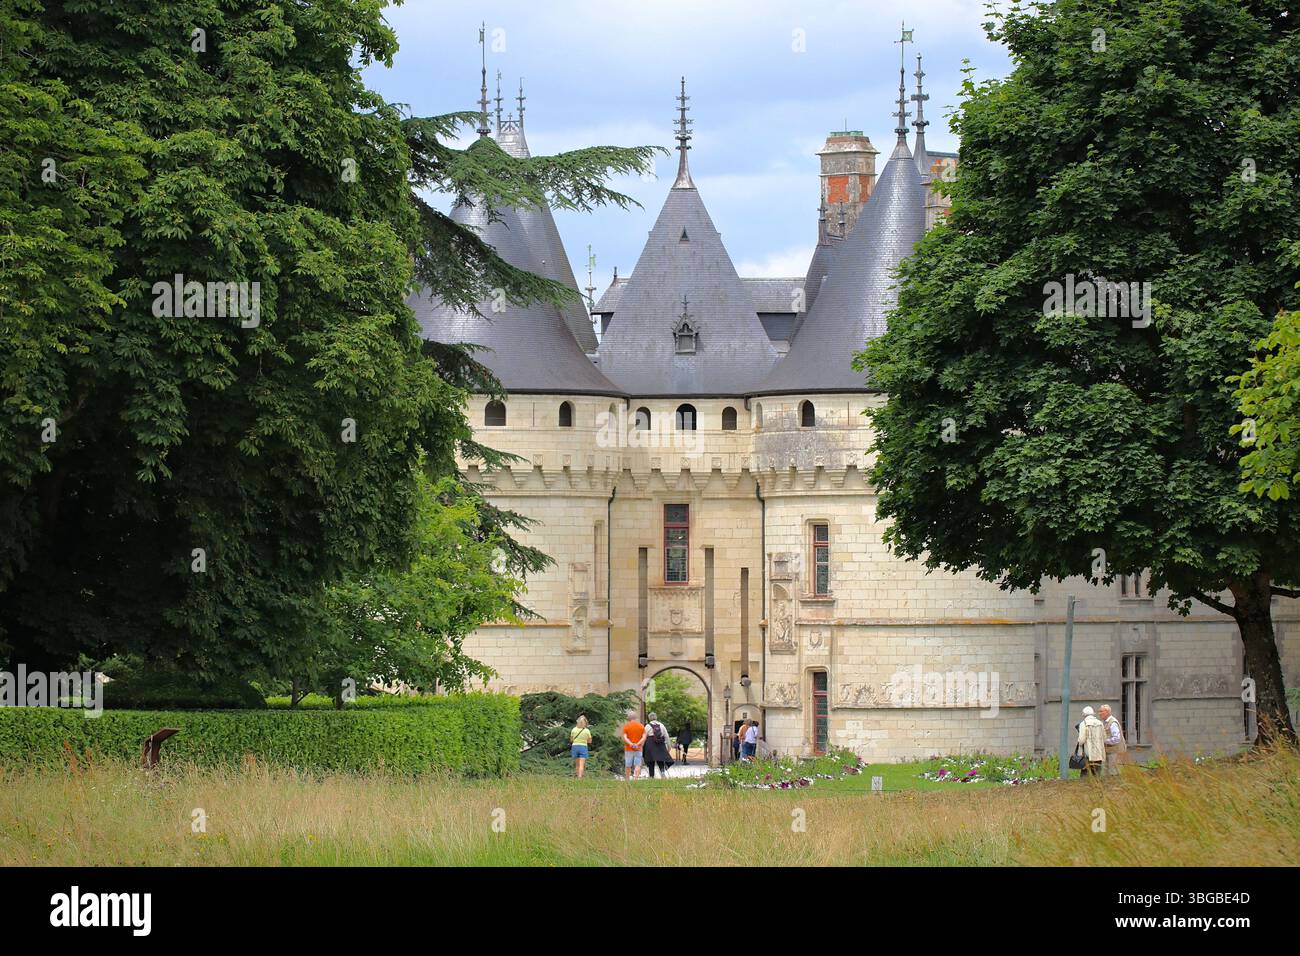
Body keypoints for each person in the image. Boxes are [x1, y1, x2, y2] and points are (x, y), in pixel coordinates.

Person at [1076, 706, 1106, 777]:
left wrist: (1079, 745)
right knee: (1097, 773)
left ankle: (1085, 787)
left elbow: (1081, 740)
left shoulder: (1083, 723)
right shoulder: (1100, 723)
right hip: (1099, 753)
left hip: (1088, 753)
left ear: (1084, 714)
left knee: (1085, 773)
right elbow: (1104, 738)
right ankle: (1097, 786)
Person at [1099, 704, 1127, 776]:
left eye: (1101, 711)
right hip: (1110, 751)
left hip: (1115, 751)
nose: (1099, 713)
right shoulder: (1105, 722)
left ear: (1107, 712)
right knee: (1108, 773)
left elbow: (1117, 738)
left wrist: (1104, 741)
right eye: (1099, 711)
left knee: (1114, 773)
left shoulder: (1113, 723)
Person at [643, 712, 673, 778]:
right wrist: (669, 746)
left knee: (651, 760)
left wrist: (642, 746)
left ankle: (651, 776)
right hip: (660, 744)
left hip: (650, 744)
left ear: (649, 718)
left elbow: (644, 737)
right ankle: (662, 772)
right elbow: (666, 736)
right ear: (656, 717)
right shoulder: (661, 725)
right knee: (660, 759)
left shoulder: (647, 726)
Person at [622, 712, 645, 780]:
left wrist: (631, 744)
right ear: (636, 718)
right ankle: (636, 779)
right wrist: (638, 744)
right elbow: (643, 737)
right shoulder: (641, 726)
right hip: (638, 748)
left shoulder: (626, 726)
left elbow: (625, 737)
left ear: (628, 718)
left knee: (628, 765)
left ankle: (627, 779)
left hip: (628, 749)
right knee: (637, 764)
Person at [569, 714, 592, 779]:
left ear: (577, 722)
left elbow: (571, 740)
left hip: (575, 747)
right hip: (583, 747)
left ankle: (576, 776)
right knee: (581, 764)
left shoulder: (573, 729)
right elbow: (590, 741)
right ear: (585, 723)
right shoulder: (587, 731)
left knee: (577, 764)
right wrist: (584, 740)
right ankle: (580, 777)